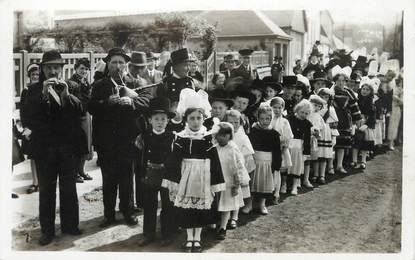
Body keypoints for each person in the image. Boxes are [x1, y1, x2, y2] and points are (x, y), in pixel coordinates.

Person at [24, 50, 84, 245]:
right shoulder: (32, 90)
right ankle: (47, 231)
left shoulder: (72, 86)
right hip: (45, 149)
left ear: (62, 69)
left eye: (56, 67)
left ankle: (70, 225)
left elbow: (81, 111)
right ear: (42, 69)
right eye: (49, 67)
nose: (53, 71)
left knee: (69, 188)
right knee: (46, 191)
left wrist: (67, 96)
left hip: (67, 148)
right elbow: (29, 118)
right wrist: (43, 95)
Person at [88, 47, 151, 228]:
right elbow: (91, 107)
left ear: (126, 65)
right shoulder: (100, 85)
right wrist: (106, 103)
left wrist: (131, 102)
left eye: (121, 63)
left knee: (126, 178)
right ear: (108, 64)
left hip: (128, 140)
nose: (118, 66)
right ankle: (108, 215)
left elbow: (147, 102)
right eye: (114, 62)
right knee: (108, 180)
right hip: (106, 141)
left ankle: (127, 211)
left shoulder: (137, 82)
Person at [162, 103, 226, 253]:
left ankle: (197, 237)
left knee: (200, 210)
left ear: (203, 119)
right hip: (186, 177)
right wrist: (173, 181)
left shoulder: (208, 138)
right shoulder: (181, 138)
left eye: (199, 118)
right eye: (192, 118)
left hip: (203, 178)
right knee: (187, 209)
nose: (196, 121)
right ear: (186, 120)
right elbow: (174, 161)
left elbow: (215, 161)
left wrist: (215, 182)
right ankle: (189, 237)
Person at [136, 98, 178, 247]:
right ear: (150, 120)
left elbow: (174, 157)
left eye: (163, 119)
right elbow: (141, 156)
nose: (160, 122)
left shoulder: (172, 136)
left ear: (168, 121)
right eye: (156, 119)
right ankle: (148, 234)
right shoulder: (144, 136)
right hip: (150, 174)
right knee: (149, 205)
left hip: (166, 175)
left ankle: (167, 234)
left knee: (167, 205)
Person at [214, 122, 247, 240]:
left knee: (227, 205)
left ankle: (223, 227)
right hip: (216, 181)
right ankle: (214, 223)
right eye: (219, 135)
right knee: (216, 204)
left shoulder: (233, 149)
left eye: (225, 135)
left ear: (230, 136)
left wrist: (236, 184)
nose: (222, 137)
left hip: (229, 182)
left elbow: (237, 166)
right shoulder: (214, 148)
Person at [248, 106, 282, 214]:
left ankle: (262, 204)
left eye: (267, 119)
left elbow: (277, 151)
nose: (264, 121)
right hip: (255, 161)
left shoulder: (274, 134)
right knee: (252, 183)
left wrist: (277, 164)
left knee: (264, 184)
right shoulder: (253, 131)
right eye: (262, 119)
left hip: (267, 162)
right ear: (258, 118)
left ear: (271, 118)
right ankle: (250, 204)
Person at [331, 66, 363, 174]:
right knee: (332, 142)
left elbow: (354, 106)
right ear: (335, 81)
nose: (340, 83)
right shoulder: (331, 91)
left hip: (344, 119)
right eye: (338, 80)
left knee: (342, 143)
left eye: (343, 81)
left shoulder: (349, 92)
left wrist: (357, 118)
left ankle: (339, 165)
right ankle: (330, 166)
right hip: (333, 119)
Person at [224, 110, 253, 217]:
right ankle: (224, 214)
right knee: (226, 193)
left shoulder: (242, 137)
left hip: (238, 167)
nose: (233, 125)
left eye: (236, 123)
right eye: (230, 123)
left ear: (240, 123)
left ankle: (234, 216)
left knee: (236, 192)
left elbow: (247, 154)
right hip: (225, 167)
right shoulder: (222, 135)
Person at [68, 57, 93, 183]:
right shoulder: (71, 83)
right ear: (76, 68)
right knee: (77, 145)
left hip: (86, 116)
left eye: (86, 69)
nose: (84, 71)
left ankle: (81, 170)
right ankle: (74, 172)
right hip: (76, 118)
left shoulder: (86, 82)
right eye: (82, 68)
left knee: (86, 144)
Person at [284, 99, 313, 195]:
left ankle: (294, 186)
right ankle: (283, 184)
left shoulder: (307, 124)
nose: (303, 115)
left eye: (306, 113)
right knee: (286, 165)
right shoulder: (289, 119)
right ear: (297, 109)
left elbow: (308, 139)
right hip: (289, 145)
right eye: (302, 112)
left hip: (299, 146)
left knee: (297, 167)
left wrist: (306, 153)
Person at [20, 63, 40, 194]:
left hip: (42, 129)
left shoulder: (43, 89)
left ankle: (44, 181)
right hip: (31, 129)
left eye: (37, 74)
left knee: (43, 156)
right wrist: (26, 128)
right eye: (33, 74)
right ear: (29, 76)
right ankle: (35, 182)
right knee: (33, 156)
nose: (35, 76)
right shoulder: (26, 91)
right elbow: (23, 112)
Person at [269, 97, 293, 198]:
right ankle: (269, 189)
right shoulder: (269, 119)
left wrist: (284, 145)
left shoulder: (284, 122)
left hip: (280, 148)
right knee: (269, 169)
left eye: (279, 108)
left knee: (278, 169)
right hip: (269, 148)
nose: (277, 110)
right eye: (274, 108)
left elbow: (288, 136)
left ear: (283, 108)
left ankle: (277, 191)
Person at [351, 82, 376, 169]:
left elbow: (373, 116)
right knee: (356, 141)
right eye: (363, 89)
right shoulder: (357, 100)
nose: (365, 91)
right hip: (357, 121)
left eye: (367, 90)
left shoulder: (371, 103)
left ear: (370, 92)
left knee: (365, 143)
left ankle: (363, 161)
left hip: (366, 123)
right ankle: (354, 160)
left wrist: (367, 124)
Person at [317, 88, 339, 176]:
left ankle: (323, 173)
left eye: (325, 97)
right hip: (318, 131)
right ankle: (315, 173)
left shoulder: (330, 108)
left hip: (326, 132)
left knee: (325, 153)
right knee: (317, 153)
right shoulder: (315, 107)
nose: (323, 99)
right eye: (321, 97)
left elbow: (334, 123)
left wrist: (333, 136)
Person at [305, 95, 326, 186]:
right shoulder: (307, 114)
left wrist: (317, 132)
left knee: (310, 158)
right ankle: (300, 176)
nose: (316, 108)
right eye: (315, 105)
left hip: (313, 138)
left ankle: (307, 177)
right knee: (304, 157)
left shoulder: (319, 116)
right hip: (305, 137)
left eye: (319, 106)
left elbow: (322, 127)